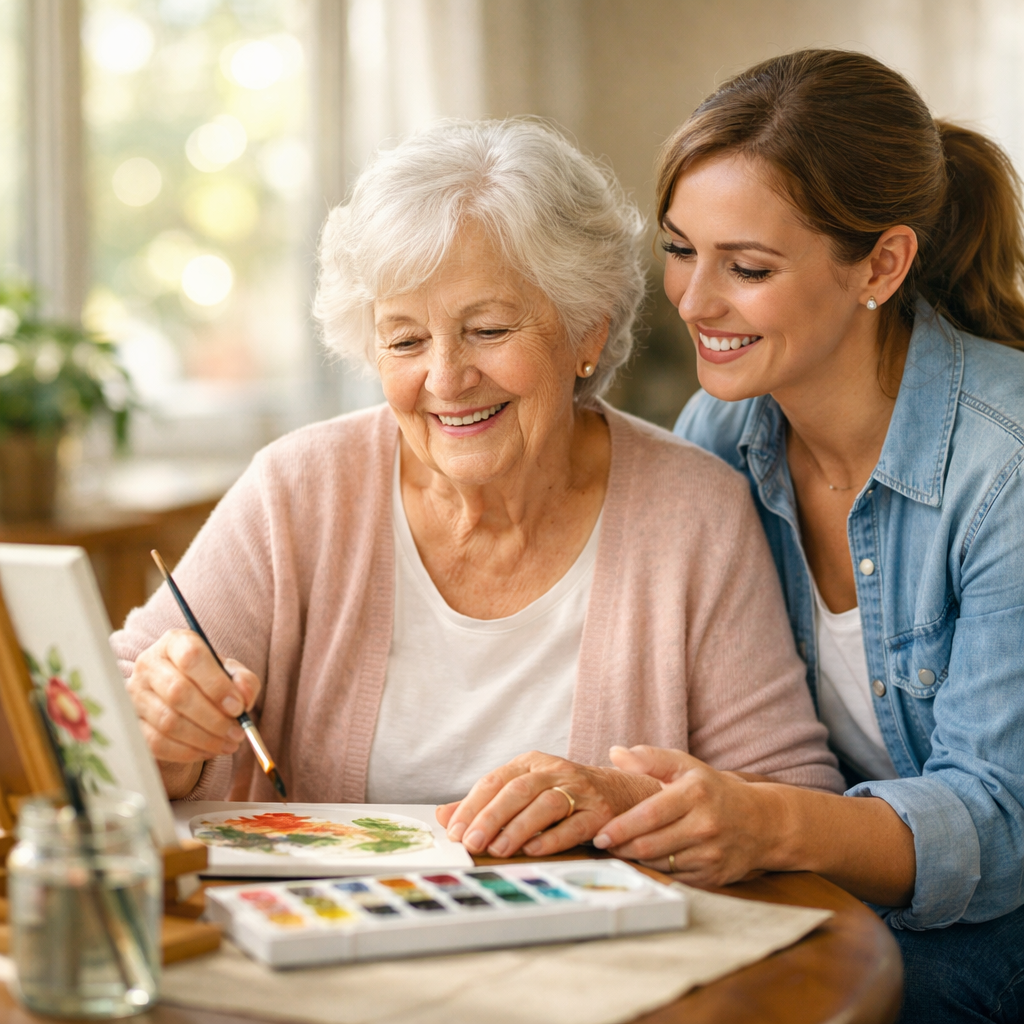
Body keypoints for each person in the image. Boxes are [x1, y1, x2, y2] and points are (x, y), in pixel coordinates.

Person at [111, 119, 841, 855]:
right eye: (404, 340)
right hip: (324, 944)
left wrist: (628, 802)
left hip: (598, 958)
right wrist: (162, 735)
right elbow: (95, 719)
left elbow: (789, 801)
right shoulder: (300, 489)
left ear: (588, 331)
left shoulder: (695, 511)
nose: (446, 379)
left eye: (488, 330)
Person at [591, 50, 1024, 1024]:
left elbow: (998, 829)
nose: (695, 302)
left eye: (745, 267)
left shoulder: (1004, 473)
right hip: (827, 895)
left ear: (880, 263)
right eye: (678, 249)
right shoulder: (724, 437)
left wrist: (764, 823)